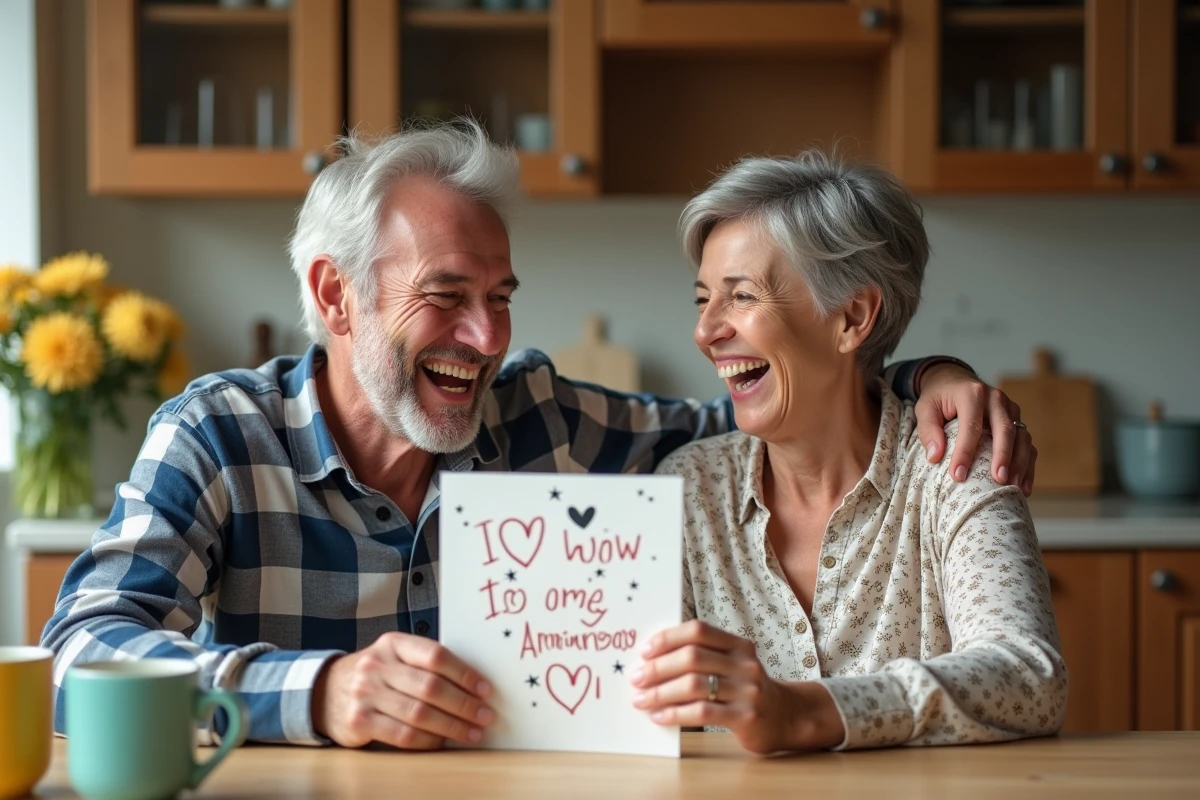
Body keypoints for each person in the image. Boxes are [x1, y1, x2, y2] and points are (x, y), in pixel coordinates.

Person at [42, 122, 1036, 751]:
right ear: (335, 296)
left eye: (500, 297)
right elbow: (75, 659)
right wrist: (316, 692)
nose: (488, 339)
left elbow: (773, 420)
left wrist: (926, 376)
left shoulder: (542, 420)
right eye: (446, 296)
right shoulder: (218, 436)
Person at [634, 150, 1065, 754]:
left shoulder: (955, 466)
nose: (705, 332)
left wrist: (805, 712)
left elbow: (1027, 677)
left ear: (852, 317)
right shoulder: (688, 487)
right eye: (703, 299)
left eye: (742, 297)